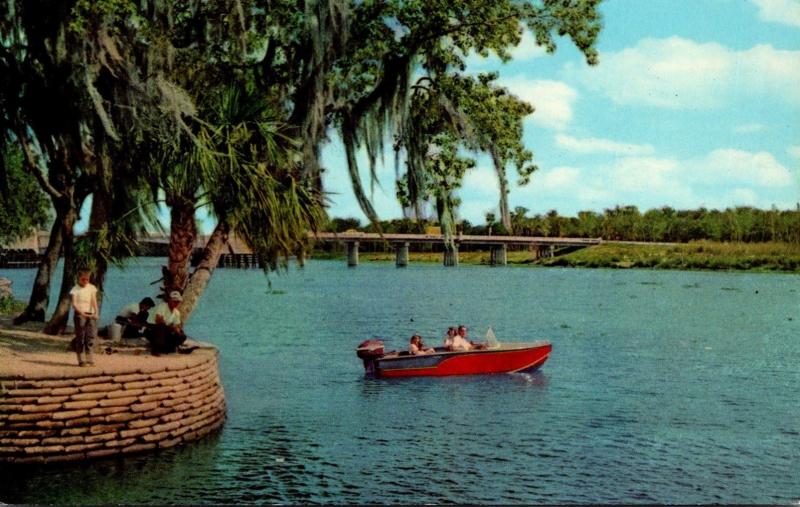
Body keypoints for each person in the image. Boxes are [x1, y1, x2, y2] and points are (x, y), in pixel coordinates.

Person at [70, 269, 99, 366]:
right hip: (80, 314)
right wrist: (81, 313)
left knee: (90, 336)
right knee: (81, 336)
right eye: (83, 279)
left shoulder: (92, 288)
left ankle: (90, 359)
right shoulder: (75, 289)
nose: (85, 281)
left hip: (90, 314)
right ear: (79, 278)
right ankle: (81, 360)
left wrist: (96, 312)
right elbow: (74, 304)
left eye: (87, 279)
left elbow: (94, 301)